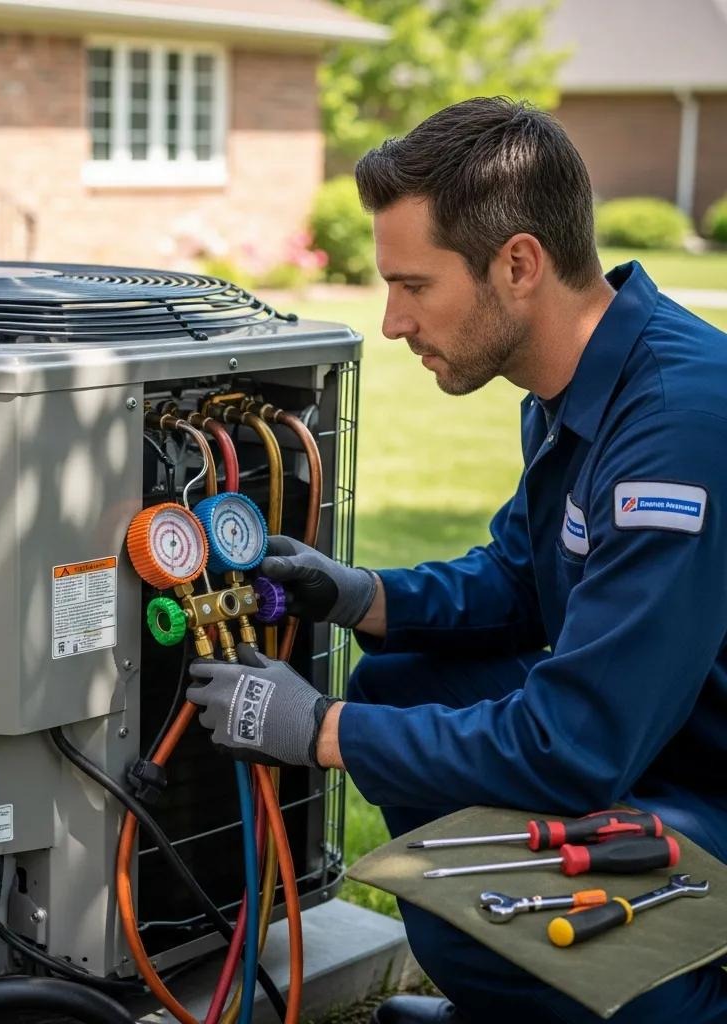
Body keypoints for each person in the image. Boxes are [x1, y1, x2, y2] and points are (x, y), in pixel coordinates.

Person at [186, 97, 727, 1024]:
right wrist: (361, 595)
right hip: (664, 741)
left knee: (473, 866)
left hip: (703, 789)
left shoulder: (675, 426)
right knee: (403, 676)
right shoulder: (577, 384)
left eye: (414, 285)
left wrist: (319, 728)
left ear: (518, 264)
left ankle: (682, 997)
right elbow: (521, 581)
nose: (393, 322)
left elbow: (575, 747)